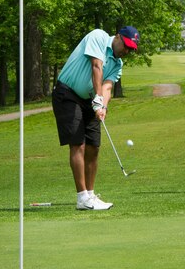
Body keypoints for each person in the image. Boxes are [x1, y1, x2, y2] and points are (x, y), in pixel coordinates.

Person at [52, 26, 140, 210]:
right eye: (126, 46)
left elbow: (108, 87)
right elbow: (96, 66)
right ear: (117, 37)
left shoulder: (117, 65)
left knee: (94, 146)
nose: (127, 51)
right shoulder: (98, 36)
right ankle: (82, 197)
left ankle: (91, 195)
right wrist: (98, 99)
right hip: (67, 93)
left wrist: (103, 107)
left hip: (90, 100)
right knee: (78, 144)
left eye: (131, 49)